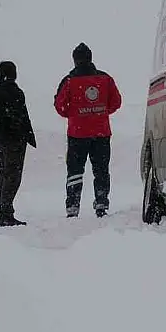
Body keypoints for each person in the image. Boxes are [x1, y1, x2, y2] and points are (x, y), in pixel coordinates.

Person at [54, 43, 122, 218]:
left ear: (75, 60)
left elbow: (59, 106)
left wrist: (75, 114)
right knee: (101, 169)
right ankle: (101, 204)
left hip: (77, 134)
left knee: (75, 171)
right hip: (101, 133)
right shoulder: (105, 79)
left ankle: (73, 207)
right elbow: (116, 102)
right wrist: (100, 113)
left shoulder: (69, 81)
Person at [0, 60, 37, 227]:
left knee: (4, 173)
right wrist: (24, 135)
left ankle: (4, 211)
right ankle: (6, 213)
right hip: (14, 139)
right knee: (12, 175)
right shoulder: (14, 92)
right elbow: (21, 117)